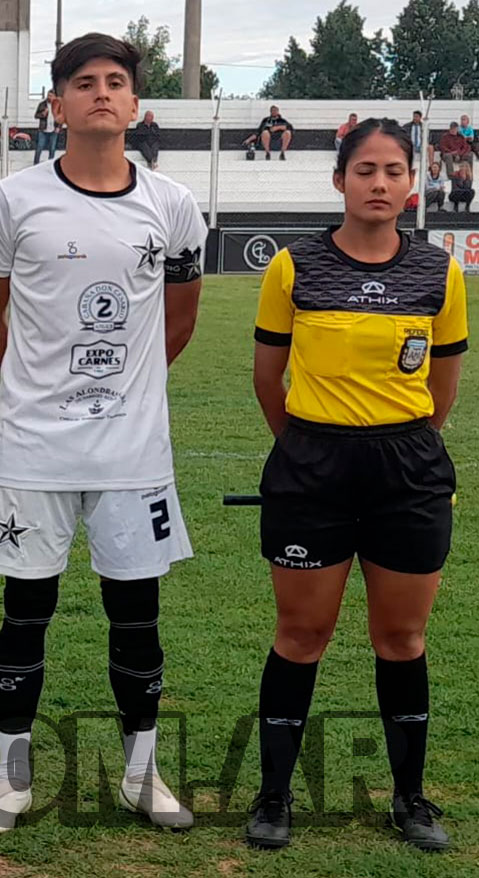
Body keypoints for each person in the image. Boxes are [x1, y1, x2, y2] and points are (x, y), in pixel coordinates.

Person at [0, 32, 206, 836]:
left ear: (134, 103)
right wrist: (37, 395)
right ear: (58, 103)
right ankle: (12, 780)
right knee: (24, 611)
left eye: (113, 81)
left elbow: (178, 321)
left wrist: (125, 395)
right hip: (33, 449)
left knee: (135, 615)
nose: (99, 92)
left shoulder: (172, 204)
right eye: (82, 82)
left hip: (132, 454)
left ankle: (141, 777)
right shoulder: (12, 200)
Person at [247, 118, 465, 853]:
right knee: (300, 634)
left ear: (412, 184)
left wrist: (397, 446)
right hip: (312, 467)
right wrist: (310, 448)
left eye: (393, 170)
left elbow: (441, 390)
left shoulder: (439, 272)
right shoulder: (294, 267)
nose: (379, 183)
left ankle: (410, 799)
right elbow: (267, 379)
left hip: (408, 470)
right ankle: (273, 796)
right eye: (364, 170)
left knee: (401, 638)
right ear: (339, 180)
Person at [34, 92, 56, 163]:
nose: (49, 97)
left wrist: (59, 127)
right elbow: (36, 115)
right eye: (48, 95)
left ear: (54, 97)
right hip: (43, 130)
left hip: (54, 130)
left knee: (52, 148)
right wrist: (43, 114)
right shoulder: (42, 104)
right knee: (39, 147)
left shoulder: (57, 105)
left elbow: (60, 117)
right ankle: (36, 163)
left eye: (51, 96)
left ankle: (50, 163)